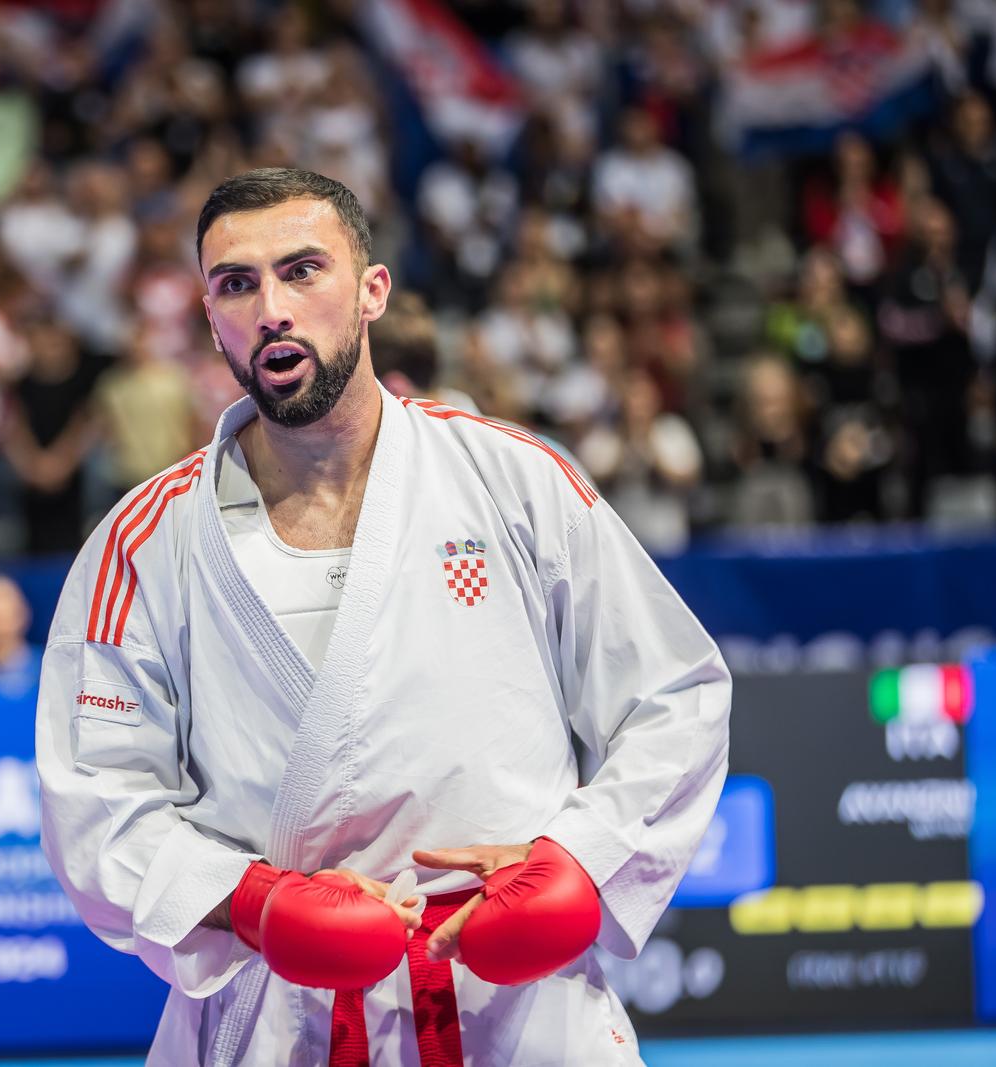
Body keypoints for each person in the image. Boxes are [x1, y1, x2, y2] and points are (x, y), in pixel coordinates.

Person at [36, 169, 730, 1065]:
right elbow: (95, 801)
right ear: (210, 319)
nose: (271, 309)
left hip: (517, 1007)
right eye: (236, 285)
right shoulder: (143, 541)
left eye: (303, 270)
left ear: (373, 291)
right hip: (275, 1016)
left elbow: (674, 694)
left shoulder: (511, 479)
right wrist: (247, 902)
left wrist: (582, 860)